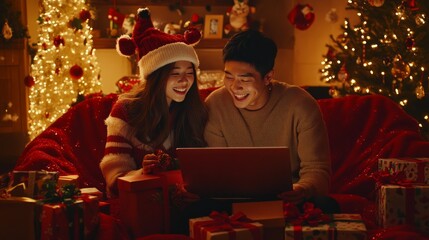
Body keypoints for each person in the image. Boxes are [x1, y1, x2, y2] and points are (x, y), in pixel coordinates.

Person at [204, 29, 338, 212]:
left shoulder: (301, 104)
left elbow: (318, 170)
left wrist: (303, 189)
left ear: (268, 77)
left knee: (326, 206)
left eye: (245, 79)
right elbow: (215, 170)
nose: (234, 87)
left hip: (287, 199)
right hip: (233, 198)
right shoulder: (216, 103)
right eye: (228, 77)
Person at [100, 8, 207, 197]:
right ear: (156, 77)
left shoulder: (193, 110)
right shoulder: (126, 111)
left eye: (190, 73)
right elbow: (114, 180)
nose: (184, 81)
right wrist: (142, 173)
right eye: (175, 74)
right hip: (141, 204)